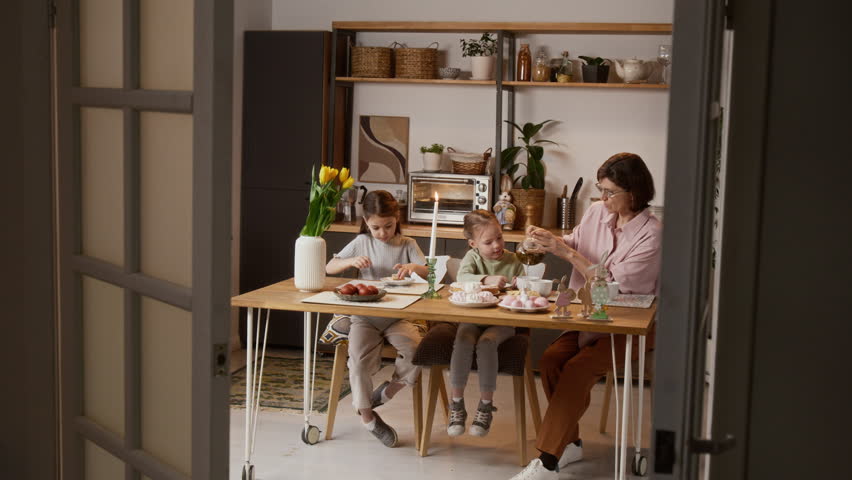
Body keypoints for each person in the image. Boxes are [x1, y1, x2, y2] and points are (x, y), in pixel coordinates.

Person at [510, 153, 662, 479]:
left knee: (578, 368)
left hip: (630, 326)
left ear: (633, 193)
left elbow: (614, 286)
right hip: (588, 318)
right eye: (600, 189)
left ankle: (547, 461)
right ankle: (572, 443)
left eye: (610, 192)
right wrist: (548, 243)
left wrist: (566, 252)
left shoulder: (653, 234)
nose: (602, 198)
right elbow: (574, 243)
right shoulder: (595, 212)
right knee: (551, 360)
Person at [325, 190, 429, 448]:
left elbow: (428, 272)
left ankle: (389, 390)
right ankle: (368, 417)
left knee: (418, 350)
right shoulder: (361, 242)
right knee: (358, 361)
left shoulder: (407, 244)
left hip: (398, 314)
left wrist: (414, 269)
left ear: (397, 218)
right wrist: (349, 261)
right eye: (376, 228)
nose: (382, 233)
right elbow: (329, 267)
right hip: (366, 315)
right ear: (366, 221)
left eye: (388, 226)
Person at [447, 210, 526, 437]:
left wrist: (519, 285)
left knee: (487, 343)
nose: (496, 245)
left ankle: (485, 406)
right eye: (488, 241)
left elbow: (524, 290)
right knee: (462, 339)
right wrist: (485, 279)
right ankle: (457, 404)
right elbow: (461, 278)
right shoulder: (473, 258)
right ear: (473, 244)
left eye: (499, 237)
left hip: (502, 321)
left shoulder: (514, 261)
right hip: (473, 317)